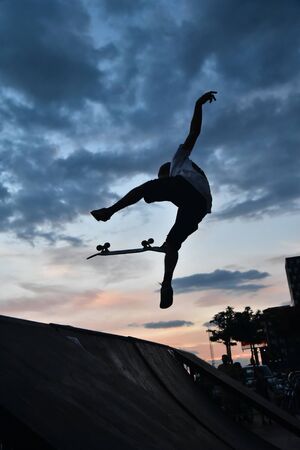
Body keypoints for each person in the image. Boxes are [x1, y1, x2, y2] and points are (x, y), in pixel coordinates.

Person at [91, 91, 217, 309]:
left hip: (188, 192)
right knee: (172, 245)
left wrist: (198, 105)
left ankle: (109, 211)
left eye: (162, 180)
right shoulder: (189, 178)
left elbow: (194, 131)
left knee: (143, 189)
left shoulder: (178, 161)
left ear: (165, 173)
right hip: (199, 208)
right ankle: (167, 283)